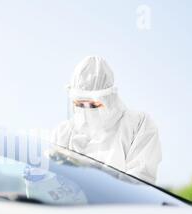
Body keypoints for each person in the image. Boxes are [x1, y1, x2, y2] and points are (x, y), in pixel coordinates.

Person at [51, 56, 162, 184]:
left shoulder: (138, 125)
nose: (86, 112)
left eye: (92, 105)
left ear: (108, 98)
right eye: (79, 104)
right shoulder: (63, 132)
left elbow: (139, 182)